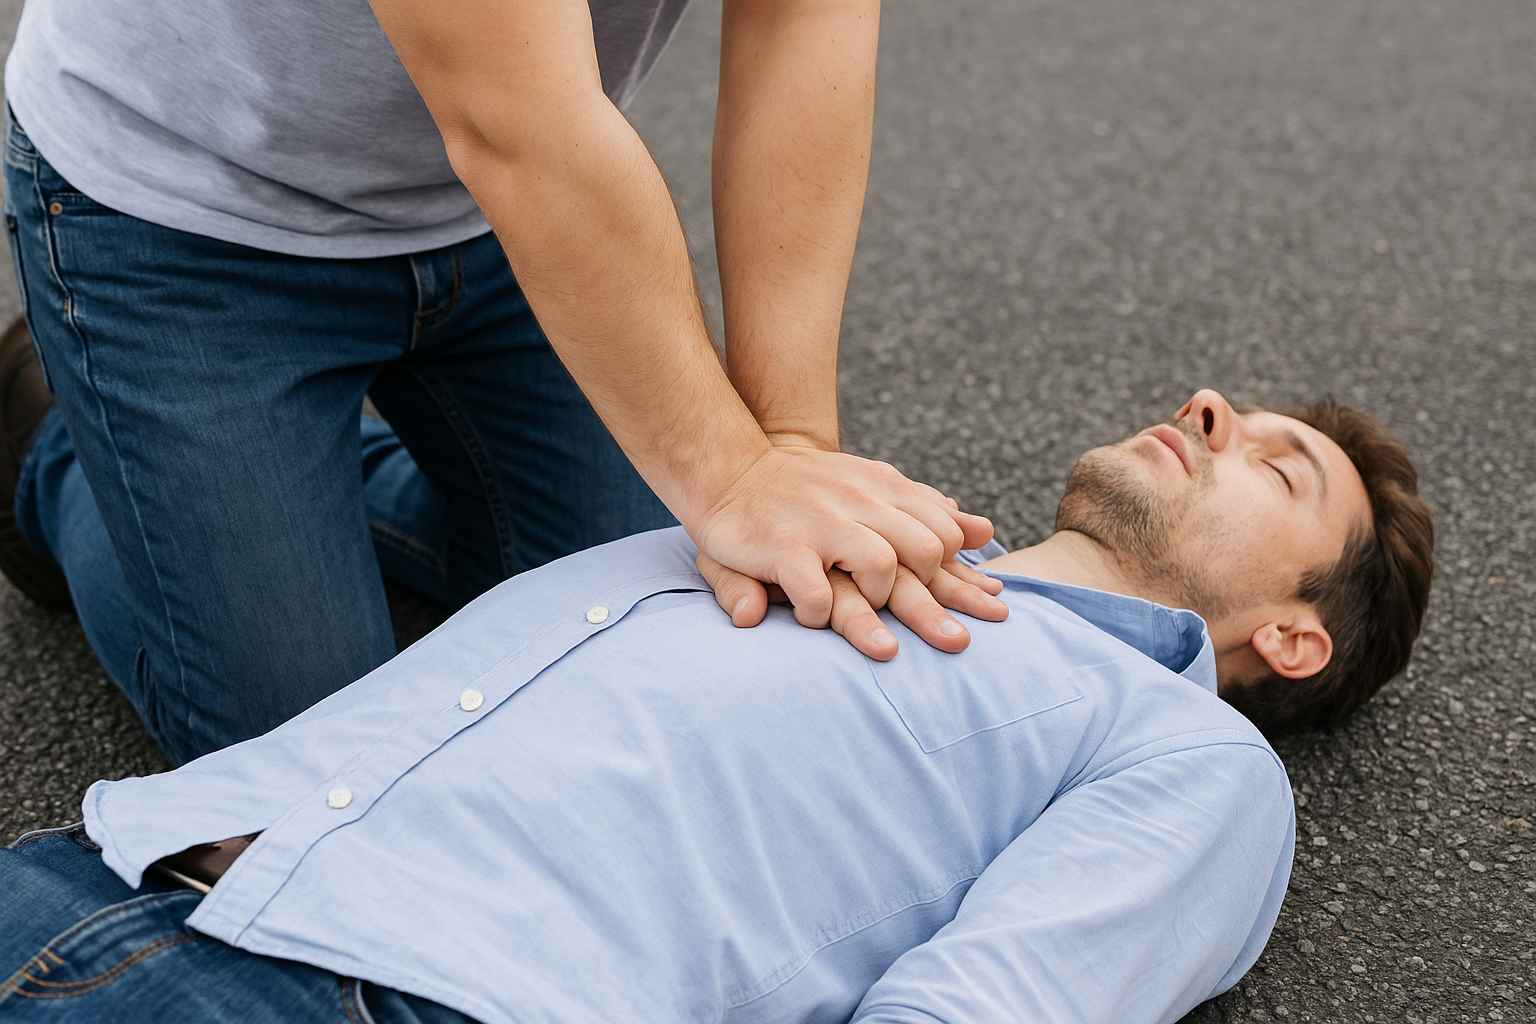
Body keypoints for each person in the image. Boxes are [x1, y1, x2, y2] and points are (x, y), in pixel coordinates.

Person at [0, 388, 1435, 1023]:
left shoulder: (1186, 755)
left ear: (1295, 638)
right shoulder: (860, 520)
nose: (1206, 407)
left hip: (378, 995)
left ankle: (55, 449)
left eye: (1276, 463)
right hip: (101, 868)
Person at [0, 0, 998, 768]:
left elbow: (803, 21)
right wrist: (729, 481)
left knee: (663, 639)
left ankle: (313, 483)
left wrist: (789, 449)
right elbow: (511, 123)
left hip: (515, 221)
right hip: (190, 216)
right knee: (314, 777)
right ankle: (55, 449)